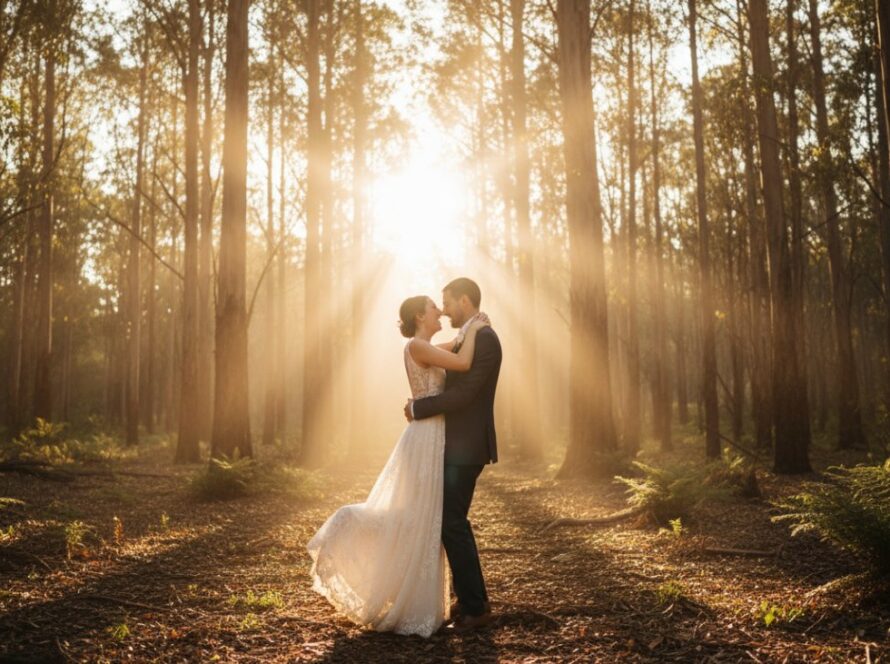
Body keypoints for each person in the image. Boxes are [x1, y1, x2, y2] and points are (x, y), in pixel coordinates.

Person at [307, 292, 490, 637]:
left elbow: (455, 344)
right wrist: (477, 331)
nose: (439, 311)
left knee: (427, 515)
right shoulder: (417, 347)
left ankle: (431, 596)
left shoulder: (428, 346)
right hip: (425, 438)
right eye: (434, 308)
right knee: (417, 514)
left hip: (435, 433)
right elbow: (464, 362)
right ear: (420, 317)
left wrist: (469, 328)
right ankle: (351, 532)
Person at [406, 277, 502, 631]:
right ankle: (470, 600)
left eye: (447, 302)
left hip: (467, 446)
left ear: (465, 300)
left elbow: (466, 395)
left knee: (451, 523)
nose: (444, 310)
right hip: (454, 444)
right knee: (452, 521)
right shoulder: (470, 336)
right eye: (438, 306)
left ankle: (476, 608)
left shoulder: (487, 340)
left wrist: (419, 408)